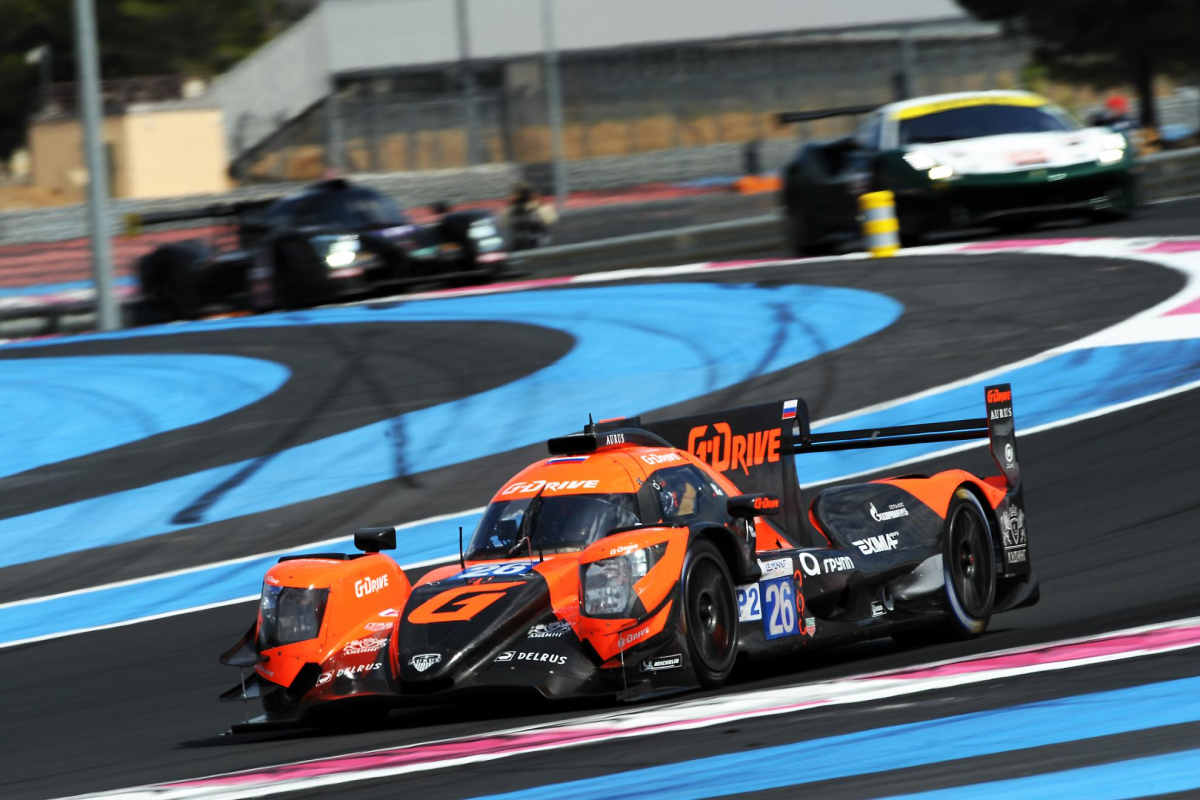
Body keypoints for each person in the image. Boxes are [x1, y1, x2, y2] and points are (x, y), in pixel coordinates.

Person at [504, 184, 558, 251]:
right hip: (532, 246)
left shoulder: (513, 210)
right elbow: (551, 219)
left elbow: (503, 223)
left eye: (514, 194)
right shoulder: (515, 210)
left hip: (529, 245)